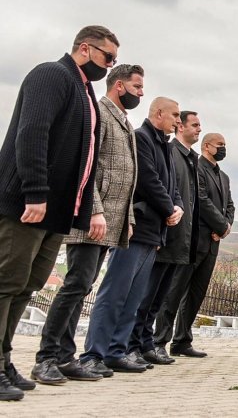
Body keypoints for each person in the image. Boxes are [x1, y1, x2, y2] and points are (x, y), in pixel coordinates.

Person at [0, 25, 118, 401]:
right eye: (108, 58)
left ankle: (4, 361)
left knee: (26, 286)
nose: (110, 66)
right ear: (85, 48)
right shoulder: (52, 74)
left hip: (55, 213)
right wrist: (35, 191)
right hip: (28, 203)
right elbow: (32, 133)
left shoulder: (83, 89)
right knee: (6, 284)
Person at [32, 64, 144, 385]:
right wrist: (94, 211)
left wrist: (128, 220)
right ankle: (47, 357)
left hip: (110, 222)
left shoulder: (123, 120)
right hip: (91, 219)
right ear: (119, 86)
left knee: (83, 288)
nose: (141, 93)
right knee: (74, 286)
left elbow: (128, 181)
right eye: (137, 87)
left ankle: (65, 357)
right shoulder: (100, 113)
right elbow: (89, 167)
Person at [79, 98, 183, 374]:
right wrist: (168, 208)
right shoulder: (142, 138)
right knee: (115, 293)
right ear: (158, 113)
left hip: (154, 233)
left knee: (134, 298)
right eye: (175, 115)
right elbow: (148, 181)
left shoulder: (165, 146)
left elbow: (172, 186)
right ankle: (93, 354)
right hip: (137, 228)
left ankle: (117, 351)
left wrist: (177, 207)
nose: (178, 120)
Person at [131, 111, 202, 365]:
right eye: (194, 124)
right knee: (147, 295)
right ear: (180, 126)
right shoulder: (170, 151)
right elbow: (157, 185)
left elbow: (181, 194)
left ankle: (147, 343)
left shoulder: (192, 159)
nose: (199, 129)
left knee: (160, 297)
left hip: (180, 236)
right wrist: (171, 211)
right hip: (163, 233)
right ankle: (137, 344)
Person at [159, 132, 234, 358]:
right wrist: (220, 226)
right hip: (195, 239)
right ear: (206, 146)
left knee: (196, 294)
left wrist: (225, 226)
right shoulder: (197, 168)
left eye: (225, 144)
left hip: (213, 244)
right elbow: (201, 200)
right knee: (176, 291)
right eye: (220, 144)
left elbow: (229, 205)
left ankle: (182, 340)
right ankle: (159, 340)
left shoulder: (224, 177)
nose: (223, 148)